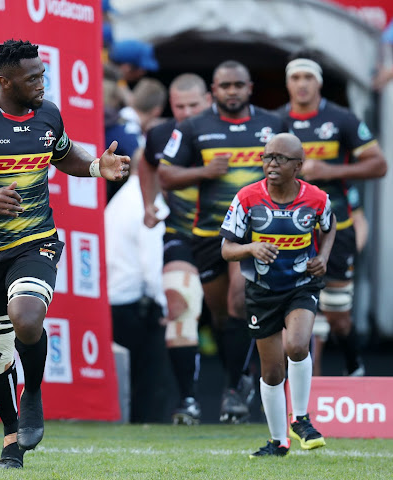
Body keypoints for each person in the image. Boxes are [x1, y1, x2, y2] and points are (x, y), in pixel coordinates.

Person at [0, 39, 130, 469]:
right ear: (5, 81)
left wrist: (96, 166)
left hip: (36, 240)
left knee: (26, 317)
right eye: (33, 77)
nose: (42, 83)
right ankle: (10, 435)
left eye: (43, 74)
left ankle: (33, 392)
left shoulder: (48, 113)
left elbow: (62, 156)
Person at [159, 60, 285, 423]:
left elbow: (296, 168)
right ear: (214, 90)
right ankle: (240, 379)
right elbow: (166, 175)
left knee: (237, 303)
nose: (232, 91)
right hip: (208, 234)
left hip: (256, 235)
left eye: (238, 85)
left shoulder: (273, 125)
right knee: (219, 315)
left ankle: (233, 388)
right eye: (225, 85)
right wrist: (204, 171)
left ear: (250, 88)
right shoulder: (194, 127)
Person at [220, 133, 336, 457]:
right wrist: (251, 247)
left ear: (298, 166)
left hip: (301, 286)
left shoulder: (316, 199)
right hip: (262, 291)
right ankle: (278, 441)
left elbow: (330, 225)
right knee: (271, 373)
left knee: (297, 346)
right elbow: (227, 249)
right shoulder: (246, 198)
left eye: (280, 158)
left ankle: (300, 418)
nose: (272, 163)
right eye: (267, 157)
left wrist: (323, 257)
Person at [278, 56, 387, 376]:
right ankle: (306, 392)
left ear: (319, 82)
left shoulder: (341, 119)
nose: (301, 83)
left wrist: (330, 169)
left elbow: (378, 164)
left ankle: (355, 367)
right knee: (294, 316)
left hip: (335, 227)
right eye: (295, 77)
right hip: (287, 229)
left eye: (307, 77)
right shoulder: (276, 121)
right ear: (288, 83)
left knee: (337, 315)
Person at [140, 73, 212, 424]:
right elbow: (146, 161)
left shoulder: (233, 131)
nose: (185, 112)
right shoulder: (160, 134)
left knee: (235, 313)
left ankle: (238, 391)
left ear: (208, 101)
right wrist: (149, 203)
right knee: (178, 302)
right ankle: (188, 401)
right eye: (179, 106)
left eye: (193, 105)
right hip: (181, 232)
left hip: (231, 238)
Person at [105, 150, 168, 423]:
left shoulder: (119, 199)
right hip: (137, 303)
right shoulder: (149, 203)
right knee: (148, 381)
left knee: (129, 379)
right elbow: (151, 261)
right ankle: (146, 426)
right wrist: (163, 303)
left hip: (114, 298)